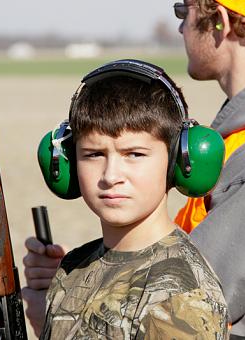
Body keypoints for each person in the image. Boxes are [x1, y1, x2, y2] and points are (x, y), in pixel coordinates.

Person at [24, 1, 245, 338]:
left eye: (184, 10)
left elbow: (180, 303)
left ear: (219, 21)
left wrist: (70, 311)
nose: (180, 26)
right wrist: (86, 275)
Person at [31, 61, 230, 339]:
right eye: (93, 154)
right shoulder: (73, 266)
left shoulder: (176, 296)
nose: (111, 175)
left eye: (134, 154)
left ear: (178, 161)